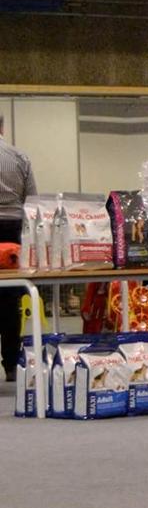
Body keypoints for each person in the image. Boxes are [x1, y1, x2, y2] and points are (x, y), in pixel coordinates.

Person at [0, 114, 36, 380]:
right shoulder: (20, 157)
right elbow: (33, 201)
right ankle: (12, 364)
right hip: (13, 230)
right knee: (11, 298)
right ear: (2, 127)